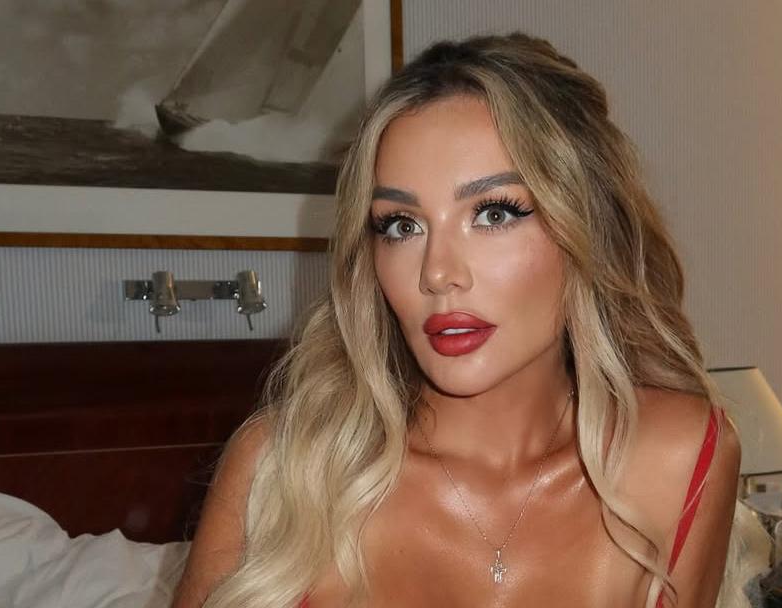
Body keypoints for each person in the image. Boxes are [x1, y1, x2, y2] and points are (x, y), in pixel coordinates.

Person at [171, 30, 742, 608]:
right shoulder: (282, 471)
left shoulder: (683, 457)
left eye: (493, 214)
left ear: (586, 226)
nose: (437, 273)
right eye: (401, 225)